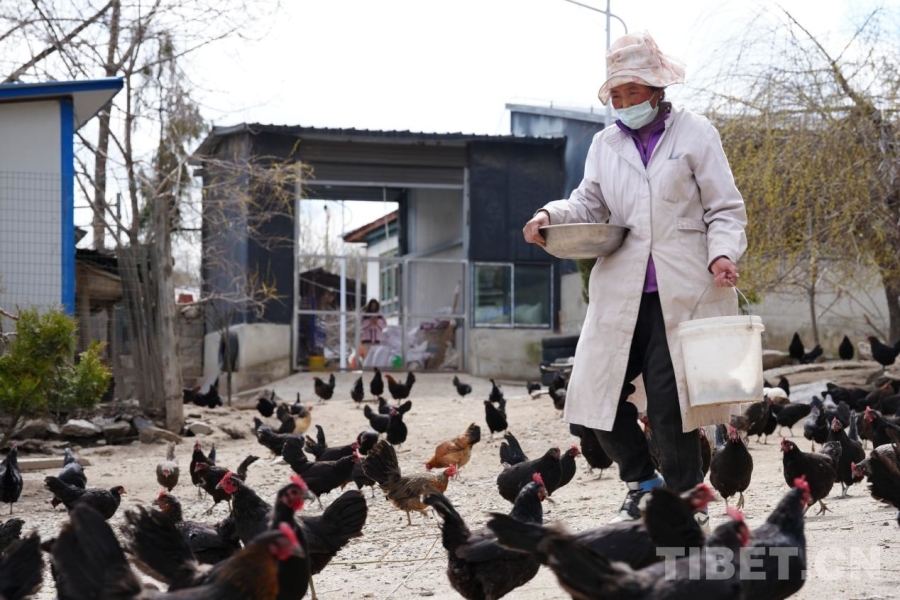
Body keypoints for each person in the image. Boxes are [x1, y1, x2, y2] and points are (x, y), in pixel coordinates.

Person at [523, 31, 747, 527]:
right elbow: (587, 203)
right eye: (617, 95)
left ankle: (686, 498)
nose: (625, 103)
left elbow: (725, 208)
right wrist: (548, 215)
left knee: (670, 403)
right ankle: (642, 482)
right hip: (621, 292)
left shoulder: (696, 134)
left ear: (657, 89)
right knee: (592, 395)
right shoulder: (604, 144)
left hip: (683, 292)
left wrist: (722, 254)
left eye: (633, 92)